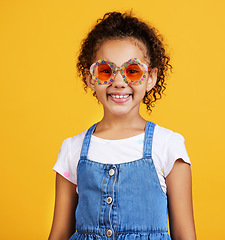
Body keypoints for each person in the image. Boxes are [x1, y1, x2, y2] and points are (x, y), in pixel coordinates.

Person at [48, 11, 197, 240]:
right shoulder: (72, 149)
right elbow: (58, 234)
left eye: (132, 71)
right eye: (105, 70)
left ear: (151, 78)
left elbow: (186, 236)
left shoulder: (168, 146)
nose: (118, 82)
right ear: (90, 78)